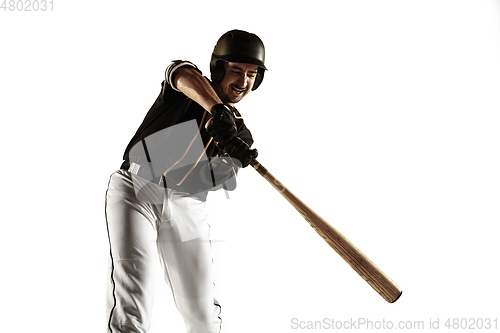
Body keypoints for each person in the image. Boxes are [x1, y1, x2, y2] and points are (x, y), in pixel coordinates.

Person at [104, 29, 266, 333]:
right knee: (134, 300)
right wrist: (217, 110)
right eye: (235, 71)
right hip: (135, 190)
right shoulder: (189, 86)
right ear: (218, 68)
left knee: (202, 315)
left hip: (187, 203)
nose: (243, 82)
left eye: (251, 74)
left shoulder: (241, 135)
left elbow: (216, 179)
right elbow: (179, 73)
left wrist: (231, 158)